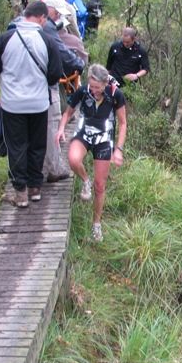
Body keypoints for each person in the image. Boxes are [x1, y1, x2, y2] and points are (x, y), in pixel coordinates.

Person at [0, 1, 63, 207]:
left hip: (12, 105)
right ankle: (35, 188)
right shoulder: (47, 41)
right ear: (42, 18)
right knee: (37, 145)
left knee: (16, 146)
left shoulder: (5, 39)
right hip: (38, 104)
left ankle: (20, 192)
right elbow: (55, 74)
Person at [55, 64, 127, 242]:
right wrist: (61, 128)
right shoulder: (82, 91)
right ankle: (84, 180)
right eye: (91, 86)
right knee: (73, 159)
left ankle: (96, 224)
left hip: (103, 139)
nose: (93, 90)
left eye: (97, 87)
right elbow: (68, 112)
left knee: (100, 186)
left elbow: (123, 123)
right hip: (84, 134)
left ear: (105, 84)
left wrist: (118, 149)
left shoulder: (115, 94)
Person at [42, 0, 86, 183]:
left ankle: (26, 176)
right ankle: (53, 168)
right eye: (58, 13)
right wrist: (79, 64)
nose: (59, 18)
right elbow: (64, 54)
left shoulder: (16, 26)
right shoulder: (49, 29)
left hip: (18, 91)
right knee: (51, 124)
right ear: (49, 10)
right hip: (48, 85)